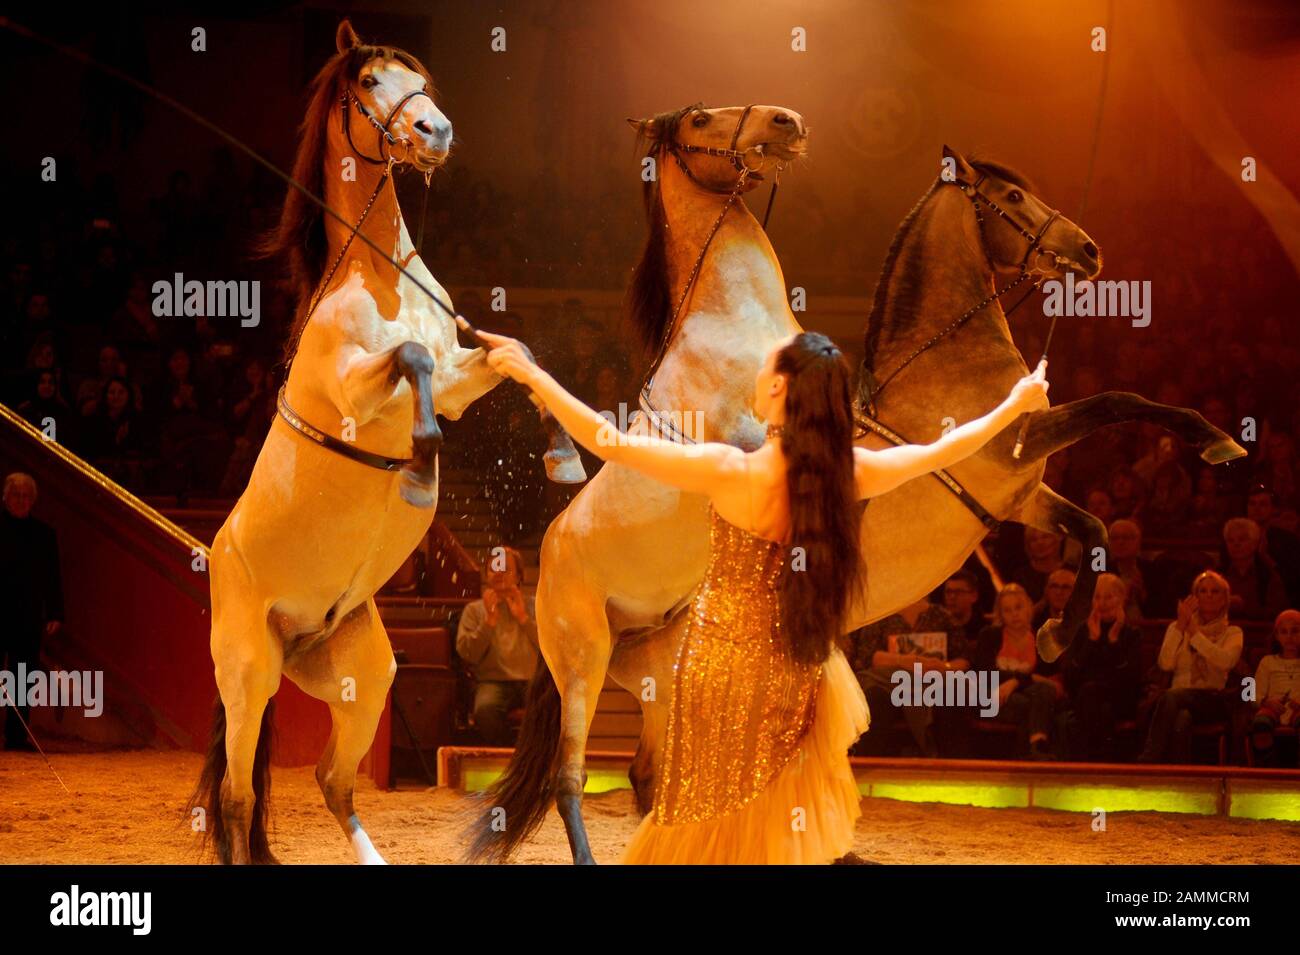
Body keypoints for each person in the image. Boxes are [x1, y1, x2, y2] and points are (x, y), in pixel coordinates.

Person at [480, 327, 1050, 863]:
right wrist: (1015, 404)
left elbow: (610, 441)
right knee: (775, 827)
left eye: (764, 366)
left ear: (779, 387)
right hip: (799, 670)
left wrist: (534, 377)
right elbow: (943, 451)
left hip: (719, 667)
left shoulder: (731, 469)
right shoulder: (848, 473)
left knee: (697, 824)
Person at [1138, 571, 1244, 763]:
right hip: (1179, 700)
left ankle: (1149, 757)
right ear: (1194, 597)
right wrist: (1180, 626)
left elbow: (1225, 660)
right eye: (1203, 591)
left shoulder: (1233, 633)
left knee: (1171, 696)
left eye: (1215, 591)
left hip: (1212, 698)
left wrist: (1194, 633)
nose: (1209, 595)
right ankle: (1181, 777)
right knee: (1182, 719)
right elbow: (1166, 663)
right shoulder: (1177, 627)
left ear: (1224, 599)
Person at [846, 596, 969, 758]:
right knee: (875, 697)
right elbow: (868, 657)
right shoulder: (882, 615)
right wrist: (905, 661)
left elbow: (963, 660)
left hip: (935, 681)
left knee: (954, 694)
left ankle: (953, 767)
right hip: (889, 682)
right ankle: (870, 767)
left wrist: (942, 667)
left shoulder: (942, 616)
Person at [0, 473, 64, 751]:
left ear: (33, 501)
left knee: (22, 676)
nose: (21, 500)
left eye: (26, 496)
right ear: (5, 497)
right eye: (16, 495)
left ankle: (16, 736)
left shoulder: (44, 534)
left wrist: (55, 613)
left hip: (27, 615)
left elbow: (53, 577)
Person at [455, 547, 540, 746]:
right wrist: (489, 622)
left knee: (553, 708)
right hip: (492, 681)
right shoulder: (474, 610)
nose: (499, 573)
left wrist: (524, 619)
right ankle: (509, 756)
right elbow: (467, 654)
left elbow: (550, 649)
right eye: (494, 568)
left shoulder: (535, 606)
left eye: (506, 569)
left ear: (519, 576)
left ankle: (534, 760)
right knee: (484, 711)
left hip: (532, 680)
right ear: (486, 575)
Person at [1059, 574, 1143, 761]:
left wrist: (1113, 641)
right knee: (1095, 703)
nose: (1102, 603)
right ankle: (1100, 766)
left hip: (1120, 699)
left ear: (1122, 599)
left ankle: (1089, 766)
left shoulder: (1131, 634)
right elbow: (1070, 676)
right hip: (1085, 698)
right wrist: (1092, 640)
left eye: (1108, 597)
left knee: (1093, 697)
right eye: (1097, 597)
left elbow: (1130, 679)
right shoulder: (1083, 631)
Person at [974, 583, 1062, 759]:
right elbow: (985, 674)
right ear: (1001, 614)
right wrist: (1027, 679)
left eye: (1018, 607)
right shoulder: (989, 635)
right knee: (1033, 703)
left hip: (1030, 696)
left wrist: (1014, 682)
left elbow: (1049, 681)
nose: (1014, 614)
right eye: (1007, 610)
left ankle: (1033, 750)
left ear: (1029, 607)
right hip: (995, 697)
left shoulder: (1043, 639)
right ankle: (1036, 748)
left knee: (1040, 695)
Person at [1246, 609, 1300, 766]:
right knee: (1260, 723)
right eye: (1284, 632)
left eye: (1295, 631)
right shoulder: (1267, 661)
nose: (1289, 637)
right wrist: (1266, 701)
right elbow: (1251, 693)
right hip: (1272, 707)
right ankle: (1267, 769)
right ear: (1277, 636)